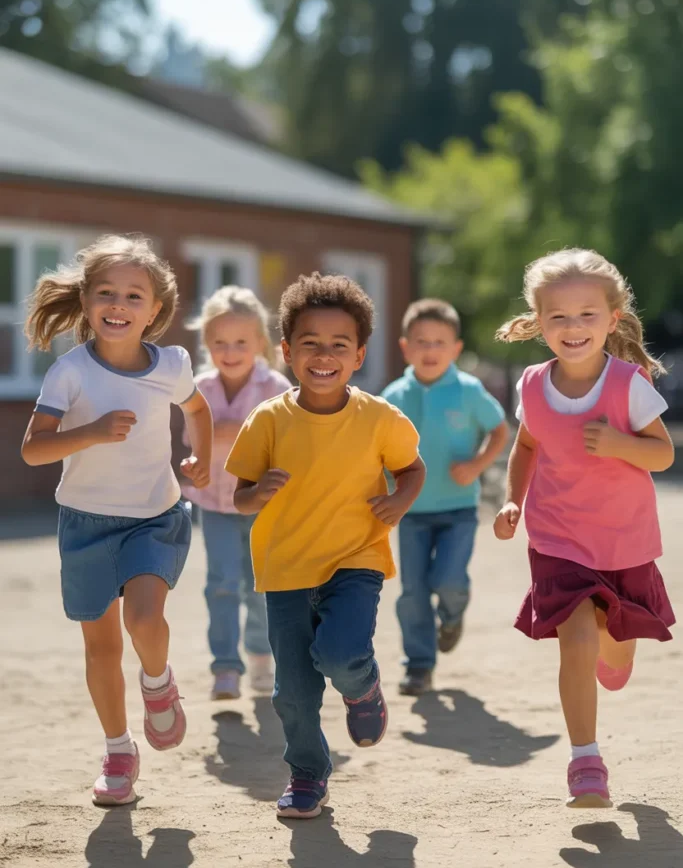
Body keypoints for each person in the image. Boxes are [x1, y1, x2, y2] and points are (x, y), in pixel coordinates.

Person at [21, 234, 213, 807]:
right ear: (86, 302)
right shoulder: (69, 373)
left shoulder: (172, 365)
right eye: (106, 292)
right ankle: (118, 752)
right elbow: (34, 449)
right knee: (102, 651)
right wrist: (92, 433)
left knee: (146, 619)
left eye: (134, 295)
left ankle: (158, 684)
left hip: (153, 518)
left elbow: (197, 410)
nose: (119, 304)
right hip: (85, 524)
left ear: (155, 310)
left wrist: (199, 455)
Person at [226, 272, 425, 819]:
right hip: (286, 570)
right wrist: (257, 492)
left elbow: (412, 469)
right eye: (310, 344)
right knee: (292, 692)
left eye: (339, 345)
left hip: (354, 560)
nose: (324, 356)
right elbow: (240, 496)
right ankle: (308, 775)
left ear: (359, 355)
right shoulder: (267, 419)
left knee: (340, 654)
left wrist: (400, 502)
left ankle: (362, 689)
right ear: (287, 351)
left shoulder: (380, 418)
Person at [494, 248, 675, 809]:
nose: (573, 328)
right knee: (573, 639)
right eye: (559, 317)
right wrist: (511, 502)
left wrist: (622, 445)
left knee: (613, 650)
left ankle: (612, 651)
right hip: (557, 540)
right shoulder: (529, 384)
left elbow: (663, 455)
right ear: (539, 321)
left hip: (624, 542)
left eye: (587, 315)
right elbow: (525, 447)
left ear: (612, 319)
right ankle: (585, 762)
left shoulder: (629, 384)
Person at [382, 299, 508, 696]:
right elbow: (377, 446)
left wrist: (478, 464)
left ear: (456, 348)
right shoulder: (393, 395)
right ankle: (419, 665)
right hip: (412, 510)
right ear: (406, 347)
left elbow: (500, 430)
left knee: (449, 580)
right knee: (413, 592)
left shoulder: (469, 391)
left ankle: (452, 615)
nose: (430, 350)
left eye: (440, 342)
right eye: (421, 341)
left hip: (459, 508)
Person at [183, 286, 290, 700]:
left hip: (264, 506)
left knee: (261, 585)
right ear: (207, 344)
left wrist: (225, 431)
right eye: (219, 342)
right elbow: (188, 440)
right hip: (214, 504)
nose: (230, 351)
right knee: (221, 584)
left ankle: (262, 657)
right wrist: (193, 462)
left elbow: (285, 443)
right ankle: (225, 667)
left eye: (240, 342)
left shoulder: (275, 386)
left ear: (260, 343)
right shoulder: (199, 388)